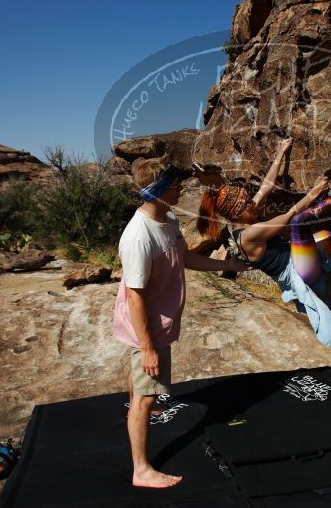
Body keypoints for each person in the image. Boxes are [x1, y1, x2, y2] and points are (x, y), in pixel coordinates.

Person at [113, 159, 249, 489]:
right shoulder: (139, 238)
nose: (181, 188)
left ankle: (140, 406)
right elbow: (135, 297)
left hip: (156, 320)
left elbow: (185, 258)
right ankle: (141, 469)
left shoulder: (167, 218)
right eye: (174, 184)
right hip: (147, 326)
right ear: (158, 191)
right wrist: (147, 348)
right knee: (148, 397)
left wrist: (227, 264)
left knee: (141, 389)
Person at [196, 137, 331, 347]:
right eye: (246, 204)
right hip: (298, 272)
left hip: (302, 259)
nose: (252, 204)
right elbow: (290, 216)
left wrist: (281, 151)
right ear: (236, 215)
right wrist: (313, 194)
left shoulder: (243, 219)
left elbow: (267, 185)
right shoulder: (247, 236)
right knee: (300, 222)